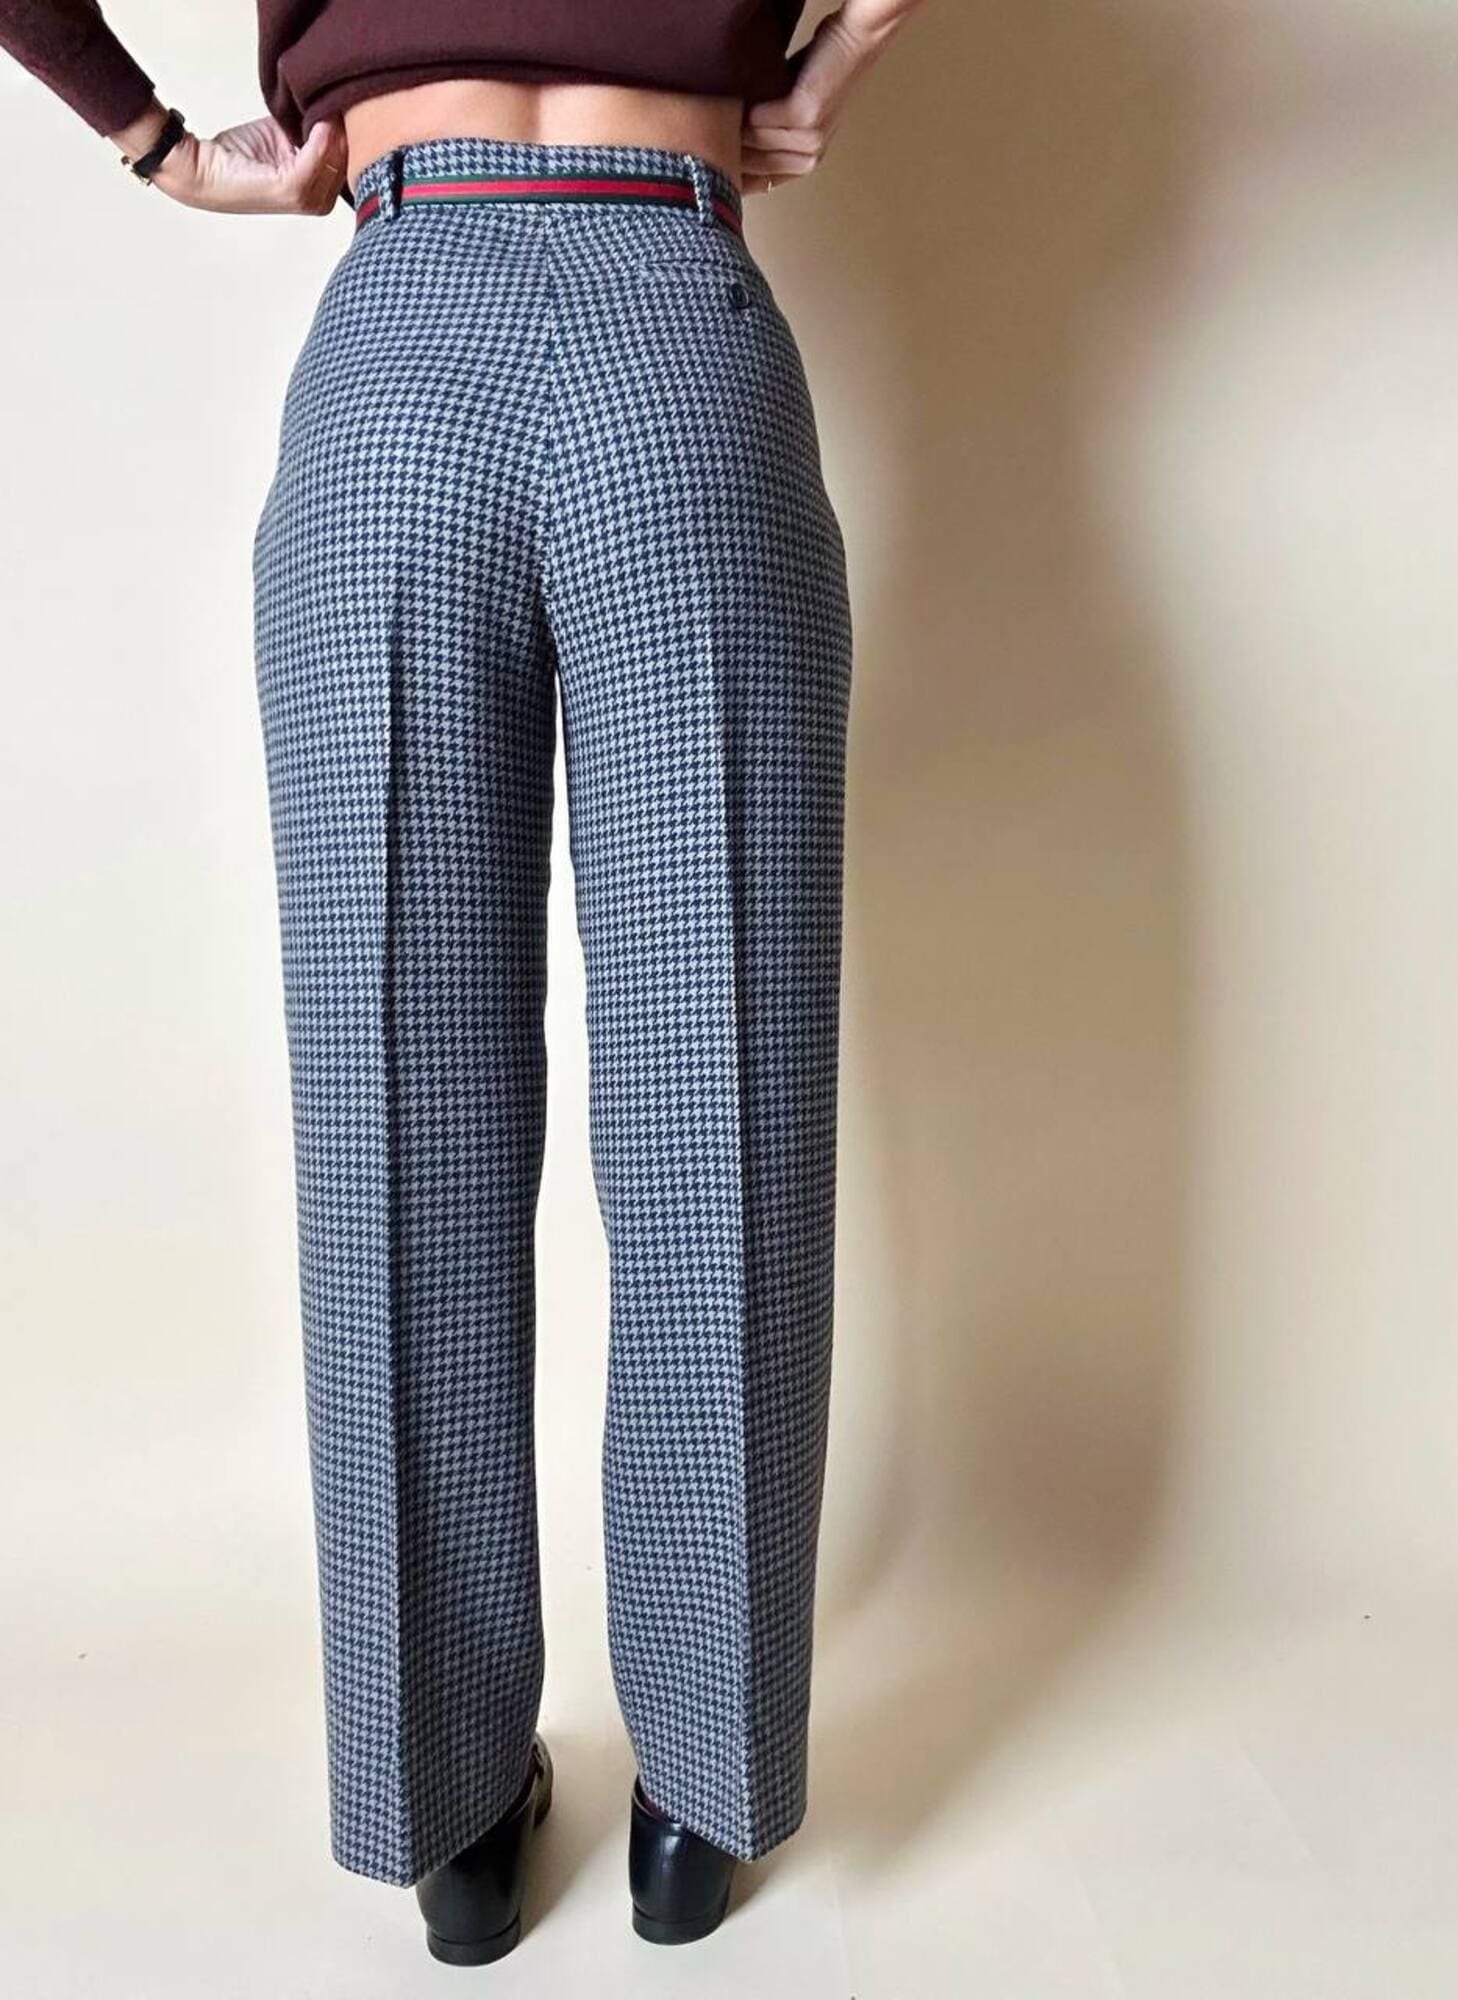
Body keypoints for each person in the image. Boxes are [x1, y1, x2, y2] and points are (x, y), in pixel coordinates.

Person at [0, 0, 934, 1961]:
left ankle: (446, 1814)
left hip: (399, 332)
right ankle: (698, 1799)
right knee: (722, 1108)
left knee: (392, 1125)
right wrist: (825, 64)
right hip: (677, 321)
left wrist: (155, 139)